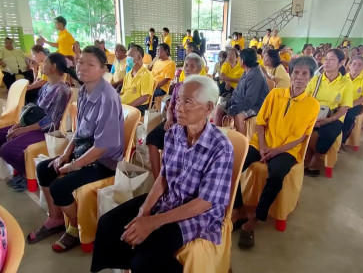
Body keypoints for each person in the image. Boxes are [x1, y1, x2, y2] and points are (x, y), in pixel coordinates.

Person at [91, 75, 233, 273]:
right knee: (109, 224)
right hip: (171, 198)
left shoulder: (221, 147)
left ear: (208, 108)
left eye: (187, 101)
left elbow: (204, 203)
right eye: (178, 99)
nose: (178, 107)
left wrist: (153, 222)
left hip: (199, 214)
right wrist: (144, 211)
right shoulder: (174, 133)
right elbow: (163, 178)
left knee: (145, 258)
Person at [26, 46, 124, 252]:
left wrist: (72, 166)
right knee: (45, 168)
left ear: (102, 69)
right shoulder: (84, 91)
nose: (83, 68)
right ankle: (55, 219)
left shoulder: (108, 98)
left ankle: (76, 227)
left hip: (104, 161)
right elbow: (79, 131)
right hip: (84, 151)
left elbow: (103, 146)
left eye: (91, 64)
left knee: (60, 186)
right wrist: (64, 156)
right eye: (80, 62)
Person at [232, 56, 320, 249]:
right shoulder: (275, 94)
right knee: (234, 166)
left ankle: (254, 219)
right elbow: (261, 123)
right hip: (262, 143)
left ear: (310, 78)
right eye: (296, 72)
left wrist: (276, 150)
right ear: (290, 73)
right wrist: (263, 147)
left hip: (287, 150)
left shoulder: (312, 104)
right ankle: (239, 209)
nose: (299, 77)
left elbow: (301, 137)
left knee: (276, 176)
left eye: (305, 74)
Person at [0, 52, 71, 191]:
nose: (42, 65)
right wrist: (19, 124)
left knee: (7, 149)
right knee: (2, 135)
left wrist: (23, 130)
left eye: (46, 63)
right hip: (33, 124)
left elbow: (51, 121)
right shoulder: (47, 85)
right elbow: (33, 110)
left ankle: (28, 175)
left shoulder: (61, 90)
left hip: (44, 130)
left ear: (54, 66)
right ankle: (20, 169)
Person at [146, 53, 203, 179]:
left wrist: (182, 123)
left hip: (188, 125)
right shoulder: (179, 86)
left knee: (171, 144)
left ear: (199, 70)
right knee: (151, 139)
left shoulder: (200, 89)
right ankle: (158, 178)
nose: (187, 69)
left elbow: (198, 113)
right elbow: (171, 107)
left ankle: (172, 178)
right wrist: (170, 119)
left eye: (192, 66)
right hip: (173, 121)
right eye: (186, 65)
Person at [304, 49, 353, 177]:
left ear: (341, 63)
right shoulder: (316, 80)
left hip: (334, 116)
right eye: (326, 59)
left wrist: (329, 120)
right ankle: (304, 153)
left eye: (331, 59)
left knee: (328, 133)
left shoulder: (346, 83)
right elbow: (305, 99)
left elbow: (345, 107)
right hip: (314, 113)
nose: (327, 62)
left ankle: (316, 157)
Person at [214, 49, 268, 135]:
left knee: (239, 116)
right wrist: (229, 103)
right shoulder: (247, 71)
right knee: (219, 107)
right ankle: (217, 137)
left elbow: (250, 101)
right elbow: (237, 92)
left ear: (243, 61)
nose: (239, 60)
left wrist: (233, 109)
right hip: (241, 102)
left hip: (256, 106)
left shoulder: (256, 76)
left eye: (240, 59)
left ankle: (242, 143)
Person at [341, 56, 363, 150]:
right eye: (354, 64)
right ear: (349, 65)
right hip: (343, 103)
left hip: (357, 105)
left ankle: (342, 141)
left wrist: (349, 105)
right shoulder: (343, 78)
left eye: (359, 65)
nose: (356, 67)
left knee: (349, 118)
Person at [120, 44, 154, 116]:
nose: (127, 58)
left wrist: (128, 107)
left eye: (130, 55)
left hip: (137, 107)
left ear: (140, 58)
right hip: (123, 106)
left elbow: (144, 97)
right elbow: (122, 93)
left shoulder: (146, 75)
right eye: (128, 55)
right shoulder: (128, 75)